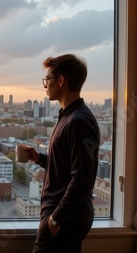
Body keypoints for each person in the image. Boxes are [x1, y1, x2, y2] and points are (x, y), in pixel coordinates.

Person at [26, 54, 100, 253]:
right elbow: (67, 166)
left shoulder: (78, 121)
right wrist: (40, 158)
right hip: (66, 216)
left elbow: (82, 178)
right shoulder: (70, 116)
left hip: (64, 218)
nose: (45, 85)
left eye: (48, 79)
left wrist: (55, 219)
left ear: (61, 81)